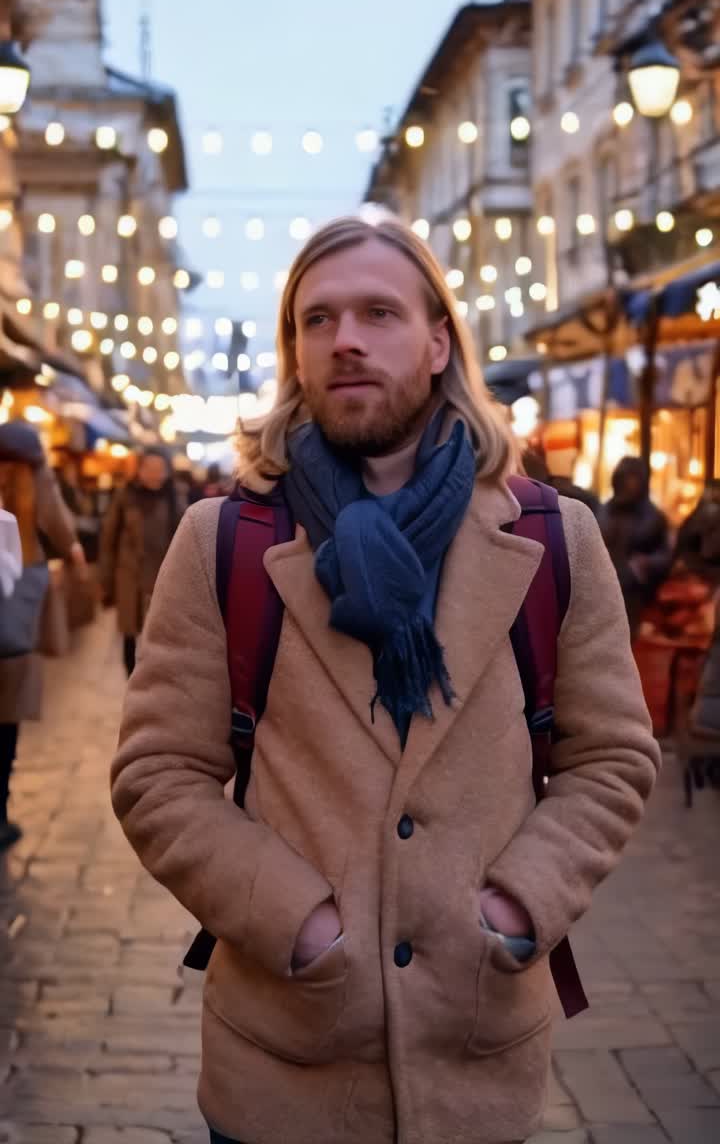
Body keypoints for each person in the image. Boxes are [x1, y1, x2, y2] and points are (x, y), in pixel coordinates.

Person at [111, 216, 660, 1144]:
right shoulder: (226, 542)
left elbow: (611, 760)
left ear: (440, 339)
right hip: (283, 1065)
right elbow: (157, 776)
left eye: (377, 312)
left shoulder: (552, 538)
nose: (346, 341)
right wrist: (298, 922)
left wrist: (517, 904)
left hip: (476, 1058)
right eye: (316, 320)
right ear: (294, 350)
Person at [0, 420, 85, 850]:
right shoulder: (36, 479)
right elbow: (56, 520)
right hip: (15, 612)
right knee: (8, 714)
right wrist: (71, 549)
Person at [99, 448, 180, 676]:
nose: (155, 475)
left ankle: (152, 684)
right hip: (129, 577)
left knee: (159, 637)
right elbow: (108, 539)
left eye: (159, 470)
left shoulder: (174, 498)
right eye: (150, 469)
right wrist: (106, 582)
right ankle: (131, 680)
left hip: (162, 579)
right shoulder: (125, 496)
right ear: (140, 471)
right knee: (129, 634)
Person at [598, 456, 672, 638]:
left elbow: (667, 555)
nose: (630, 484)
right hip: (601, 590)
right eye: (625, 479)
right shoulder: (604, 511)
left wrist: (643, 564)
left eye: (634, 479)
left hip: (633, 594)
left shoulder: (653, 517)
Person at [674, 479, 720, 587]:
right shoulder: (711, 512)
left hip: (689, 568)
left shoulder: (698, 512)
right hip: (702, 573)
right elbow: (709, 551)